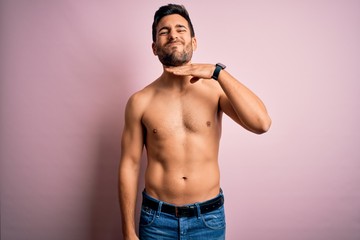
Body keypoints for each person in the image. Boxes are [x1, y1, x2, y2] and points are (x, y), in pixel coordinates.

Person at [118, 4, 271, 240]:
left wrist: (217, 72)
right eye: (164, 31)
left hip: (207, 219)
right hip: (156, 220)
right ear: (154, 48)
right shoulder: (140, 101)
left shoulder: (215, 91)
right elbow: (129, 165)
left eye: (181, 29)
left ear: (194, 42)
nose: (173, 35)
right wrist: (128, 230)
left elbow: (261, 123)